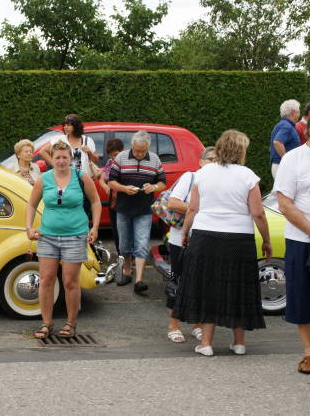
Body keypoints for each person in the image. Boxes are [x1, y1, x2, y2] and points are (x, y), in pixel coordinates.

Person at [174, 130, 272, 357]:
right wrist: (266, 241)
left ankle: (206, 343)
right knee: (238, 287)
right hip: (239, 239)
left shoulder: (204, 172)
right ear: (241, 150)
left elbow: (193, 208)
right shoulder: (248, 176)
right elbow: (258, 214)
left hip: (205, 236)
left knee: (209, 287)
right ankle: (239, 343)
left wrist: (185, 232)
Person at [26, 140, 101, 339]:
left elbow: (95, 201)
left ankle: (71, 323)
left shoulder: (81, 176)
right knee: (46, 279)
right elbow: (32, 204)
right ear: (52, 158)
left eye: (64, 157)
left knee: (70, 282)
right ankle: (46, 323)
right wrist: (29, 226)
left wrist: (94, 227)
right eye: (57, 157)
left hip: (75, 235)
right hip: (48, 236)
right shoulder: (44, 178)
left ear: (70, 158)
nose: (60, 161)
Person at [274, 112, 310, 374]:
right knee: (302, 298)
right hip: (302, 240)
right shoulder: (294, 159)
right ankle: (309, 353)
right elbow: (284, 203)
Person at [164, 146, 215, 343]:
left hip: (206, 240)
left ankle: (196, 325)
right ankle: (173, 325)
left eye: (217, 160)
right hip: (180, 239)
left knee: (201, 284)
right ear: (201, 162)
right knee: (178, 282)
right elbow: (173, 202)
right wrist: (200, 210)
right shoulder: (190, 177)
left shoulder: (217, 183)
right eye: (209, 158)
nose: (213, 162)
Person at [108, 131, 166, 294]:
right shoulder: (121, 157)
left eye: (142, 151)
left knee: (142, 243)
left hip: (144, 209)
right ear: (132, 146)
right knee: (124, 244)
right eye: (137, 150)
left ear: (148, 147)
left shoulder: (155, 159)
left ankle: (139, 280)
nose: (139, 153)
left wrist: (153, 187)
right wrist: (124, 188)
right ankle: (127, 271)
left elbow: (162, 182)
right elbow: (111, 181)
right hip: (124, 207)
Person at [99, 138, 124, 255]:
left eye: (116, 154)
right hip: (113, 200)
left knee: (124, 228)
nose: (114, 157)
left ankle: (128, 255)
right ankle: (120, 255)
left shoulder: (127, 163)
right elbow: (102, 177)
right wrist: (105, 185)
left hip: (124, 200)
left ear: (122, 151)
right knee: (115, 228)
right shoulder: (110, 163)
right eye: (112, 155)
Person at [270, 99, 301, 179]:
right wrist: (286, 160)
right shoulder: (287, 126)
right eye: (298, 111)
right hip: (283, 167)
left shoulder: (283, 124)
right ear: (294, 112)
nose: (299, 113)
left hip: (280, 166)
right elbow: (277, 142)